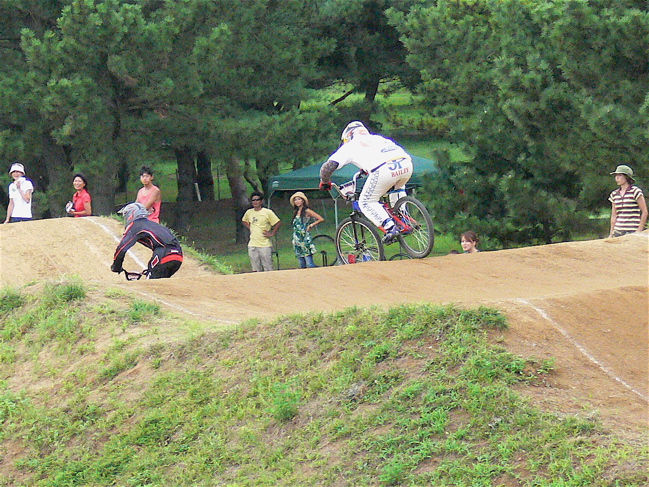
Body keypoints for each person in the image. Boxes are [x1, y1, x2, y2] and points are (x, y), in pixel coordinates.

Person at [319, 121, 413, 244]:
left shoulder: (349, 146)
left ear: (348, 136)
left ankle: (390, 227)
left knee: (366, 201)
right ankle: (403, 217)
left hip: (383, 169)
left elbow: (327, 167)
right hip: (405, 163)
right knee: (398, 187)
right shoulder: (378, 138)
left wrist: (325, 181)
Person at [111, 202, 183, 279]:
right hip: (178, 256)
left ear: (131, 214)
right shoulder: (155, 225)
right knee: (161, 285)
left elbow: (121, 248)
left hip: (163, 254)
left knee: (151, 283)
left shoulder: (135, 225)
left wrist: (116, 267)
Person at [241, 191, 281, 272]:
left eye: (257, 200)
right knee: (255, 268)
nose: (255, 202)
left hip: (264, 244)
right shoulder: (249, 212)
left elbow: (278, 222)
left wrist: (272, 233)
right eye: (253, 200)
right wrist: (251, 228)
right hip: (252, 243)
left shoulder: (267, 212)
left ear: (261, 201)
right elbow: (244, 221)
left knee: (268, 267)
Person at [608, 165, 647, 238]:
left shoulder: (635, 191)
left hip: (631, 231)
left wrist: (639, 230)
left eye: (619, 175)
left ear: (626, 177)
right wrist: (611, 233)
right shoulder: (614, 194)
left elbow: (644, 211)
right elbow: (614, 215)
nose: (617, 178)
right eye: (616, 175)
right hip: (618, 231)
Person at [290, 191, 324, 268]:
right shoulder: (296, 212)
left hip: (305, 237)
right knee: (301, 263)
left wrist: (311, 225)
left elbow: (320, 219)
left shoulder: (307, 211)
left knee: (309, 263)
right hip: (297, 238)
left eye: (299, 199)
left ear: (303, 200)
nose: (297, 201)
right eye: (295, 200)